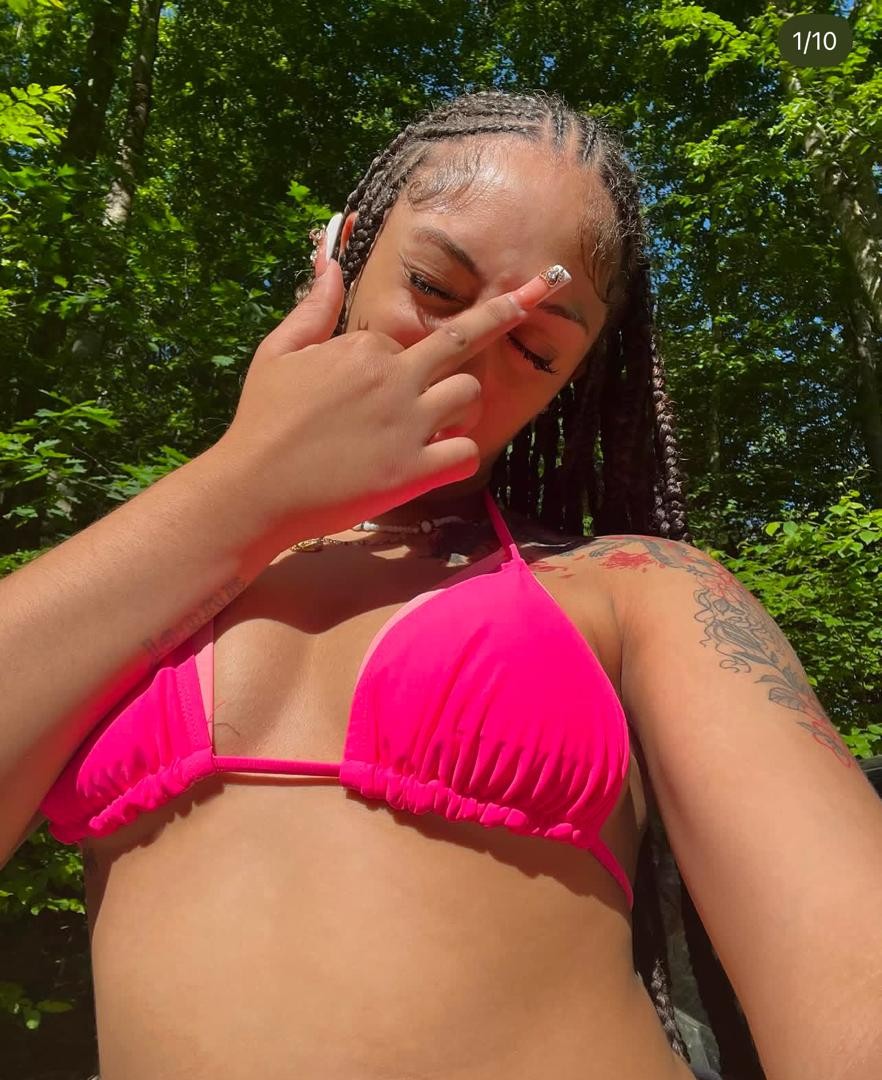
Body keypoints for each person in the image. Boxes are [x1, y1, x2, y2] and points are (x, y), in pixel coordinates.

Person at [2, 88, 880, 1080]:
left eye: (535, 348)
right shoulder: (147, 574)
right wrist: (247, 487)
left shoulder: (638, 587)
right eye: (434, 287)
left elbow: (856, 980)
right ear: (339, 251)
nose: (463, 360)